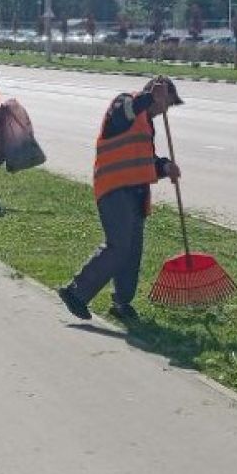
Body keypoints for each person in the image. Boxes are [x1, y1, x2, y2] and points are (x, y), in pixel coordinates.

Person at [58, 75, 183, 323]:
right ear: (154, 95)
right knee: (119, 246)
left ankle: (121, 302)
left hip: (136, 194)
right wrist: (148, 97)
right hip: (114, 189)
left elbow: (144, 160)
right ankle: (76, 292)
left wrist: (165, 166)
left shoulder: (147, 124)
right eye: (165, 103)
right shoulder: (124, 103)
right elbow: (123, 114)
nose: (165, 110)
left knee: (132, 251)